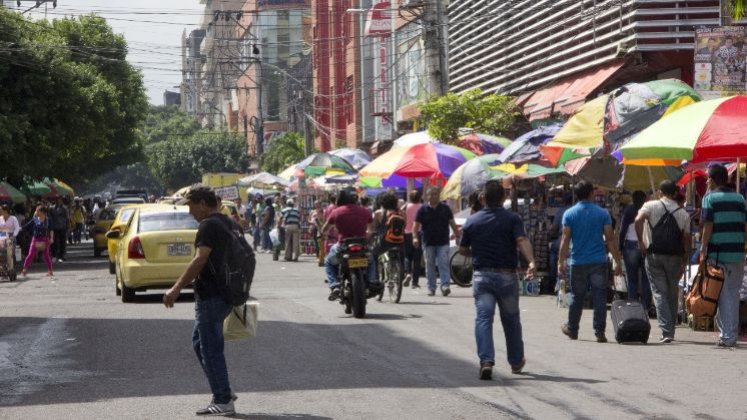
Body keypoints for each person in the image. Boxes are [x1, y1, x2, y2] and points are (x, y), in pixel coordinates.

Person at [163, 185, 238, 416]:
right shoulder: (228, 223)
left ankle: (223, 399)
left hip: (212, 294)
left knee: (210, 348)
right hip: (226, 293)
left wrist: (176, 289)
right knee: (199, 342)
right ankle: (223, 388)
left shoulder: (207, 226)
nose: (190, 212)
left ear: (203, 204)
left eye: (192, 206)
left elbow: (199, 260)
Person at [458, 181, 534, 380]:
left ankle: (486, 361)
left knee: (483, 318)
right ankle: (516, 362)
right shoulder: (512, 219)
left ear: (483, 198)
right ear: (503, 198)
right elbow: (522, 240)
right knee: (511, 320)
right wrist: (531, 261)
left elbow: (462, 249)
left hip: (482, 276)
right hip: (507, 276)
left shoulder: (472, 221)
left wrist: (477, 249)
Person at [558, 181, 623, 343]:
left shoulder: (569, 214)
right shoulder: (602, 214)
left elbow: (565, 240)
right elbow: (610, 239)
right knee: (600, 297)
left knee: (576, 297)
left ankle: (572, 329)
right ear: (590, 194)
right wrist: (618, 261)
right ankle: (599, 332)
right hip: (598, 261)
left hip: (577, 261)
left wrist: (560, 261)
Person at [634, 181, 690, 343]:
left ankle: (666, 331)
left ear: (660, 192)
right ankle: (670, 329)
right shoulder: (683, 213)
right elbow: (686, 240)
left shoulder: (650, 206)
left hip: (654, 255)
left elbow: (638, 220)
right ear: (674, 194)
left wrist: (641, 242)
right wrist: (684, 260)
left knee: (659, 292)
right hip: (675, 256)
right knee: (672, 292)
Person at [699, 164, 747, 348]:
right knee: (732, 294)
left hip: (718, 253)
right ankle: (727, 333)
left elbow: (708, 225)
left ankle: (728, 336)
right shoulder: (740, 199)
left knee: (721, 294)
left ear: (712, 180)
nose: (706, 181)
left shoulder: (709, 198)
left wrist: (703, 248)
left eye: (707, 178)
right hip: (737, 252)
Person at [321, 189, 380, 300]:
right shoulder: (364, 211)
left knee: (328, 261)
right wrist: (367, 237)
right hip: (362, 246)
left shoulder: (336, 212)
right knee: (371, 260)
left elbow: (325, 229)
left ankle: (334, 285)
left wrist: (323, 235)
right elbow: (371, 230)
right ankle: (372, 281)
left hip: (342, 246)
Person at [412, 187, 460, 297]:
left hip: (443, 241)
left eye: (435, 194)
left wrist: (456, 233)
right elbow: (415, 226)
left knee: (443, 263)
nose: (433, 196)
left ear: (439, 196)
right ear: (426, 196)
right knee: (430, 265)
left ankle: (445, 286)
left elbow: (452, 222)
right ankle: (431, 287)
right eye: (431, 194)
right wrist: (415, 238)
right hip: (428, 242)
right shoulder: (422, 209)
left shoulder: (445, 208)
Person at [619, 191, 652, 309]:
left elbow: (622, 230)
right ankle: (645, 307)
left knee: (632, 279)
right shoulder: (648, 210)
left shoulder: (628, 210)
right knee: (646, 279)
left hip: (630, 246)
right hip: (645, 245)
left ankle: (633, 306)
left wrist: (620, 247)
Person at [21, 205, 54, 277]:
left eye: (37, 210)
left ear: (42, 212)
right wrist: (19, 228)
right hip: (35, 239)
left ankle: (50, 271)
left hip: (45, 239)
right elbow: (26, 226)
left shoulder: (48, 220)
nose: (36, 212)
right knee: (30, 254)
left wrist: (51, 238)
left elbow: (51, 229)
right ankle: (24, 270)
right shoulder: (34, 219)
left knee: (46, 255)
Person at [403, 190, 423, 289]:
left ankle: (407, 273)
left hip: (407, 233)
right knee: (417, 258)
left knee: (407, 255)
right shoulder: (422, 207)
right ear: (420, 197)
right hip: (419, 233)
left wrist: (406, 203)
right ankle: (415, 282)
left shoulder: (407, 206)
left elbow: (400, 211)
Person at [49, 197, 69, 263]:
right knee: (54, 243)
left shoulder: (64, 208)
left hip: (63, 228)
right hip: (54, 228)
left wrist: (67, 227)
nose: (58, 201)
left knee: (62, 242)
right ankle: (55, 256)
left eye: (59, 199)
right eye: (56, 199)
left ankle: (62, 256)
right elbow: (50, 218)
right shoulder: (51, 208)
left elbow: (67, 218)